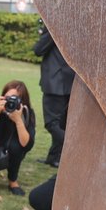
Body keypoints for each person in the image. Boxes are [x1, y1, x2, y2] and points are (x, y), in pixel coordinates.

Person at [32, 20, 74, 167]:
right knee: (61, 124)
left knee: (52, 123)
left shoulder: (55, 24)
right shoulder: (73, 25)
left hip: (55, 82)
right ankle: (54, 158)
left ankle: (72, 149)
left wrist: (44, 31)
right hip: (68, 83)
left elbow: (38, 49)